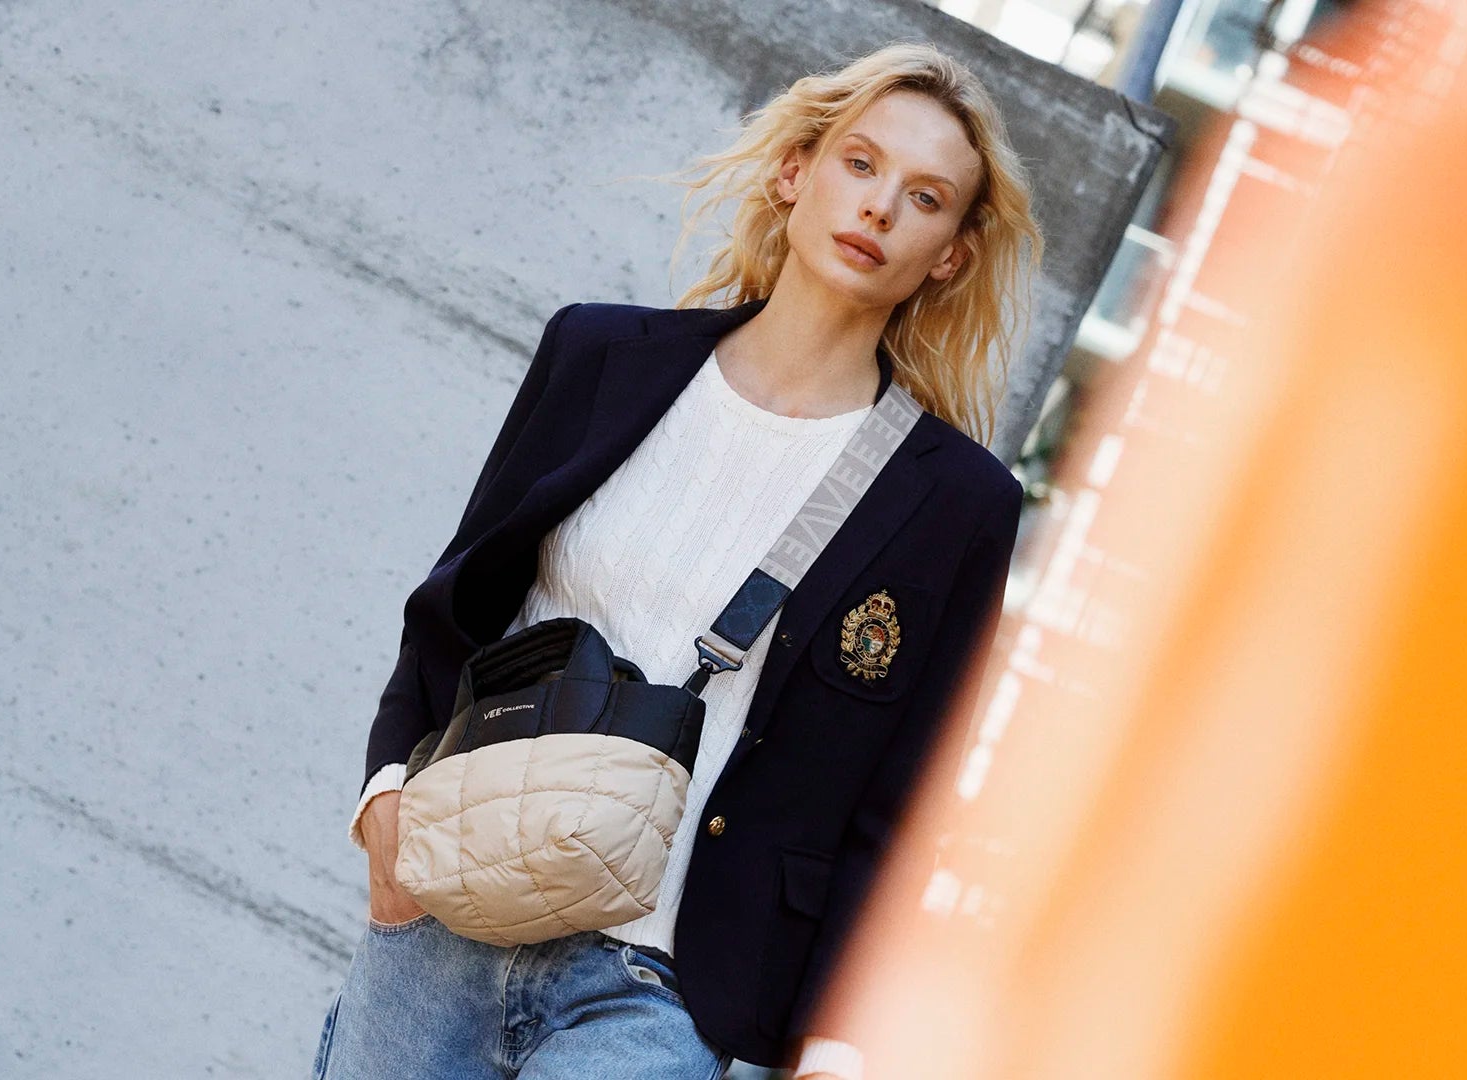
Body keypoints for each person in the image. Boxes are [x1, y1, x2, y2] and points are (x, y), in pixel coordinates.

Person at [311, 39, 1042, 1080]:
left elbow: (904, 797)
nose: (879, 208)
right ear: (798, 172)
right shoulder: (599, 354)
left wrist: (834, 1039)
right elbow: (457, 603)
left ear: (951, 254)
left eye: (926, 198)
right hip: (456, 908)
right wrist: (387, 792)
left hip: (671, 995)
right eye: (861, 164)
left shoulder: (956, 504)